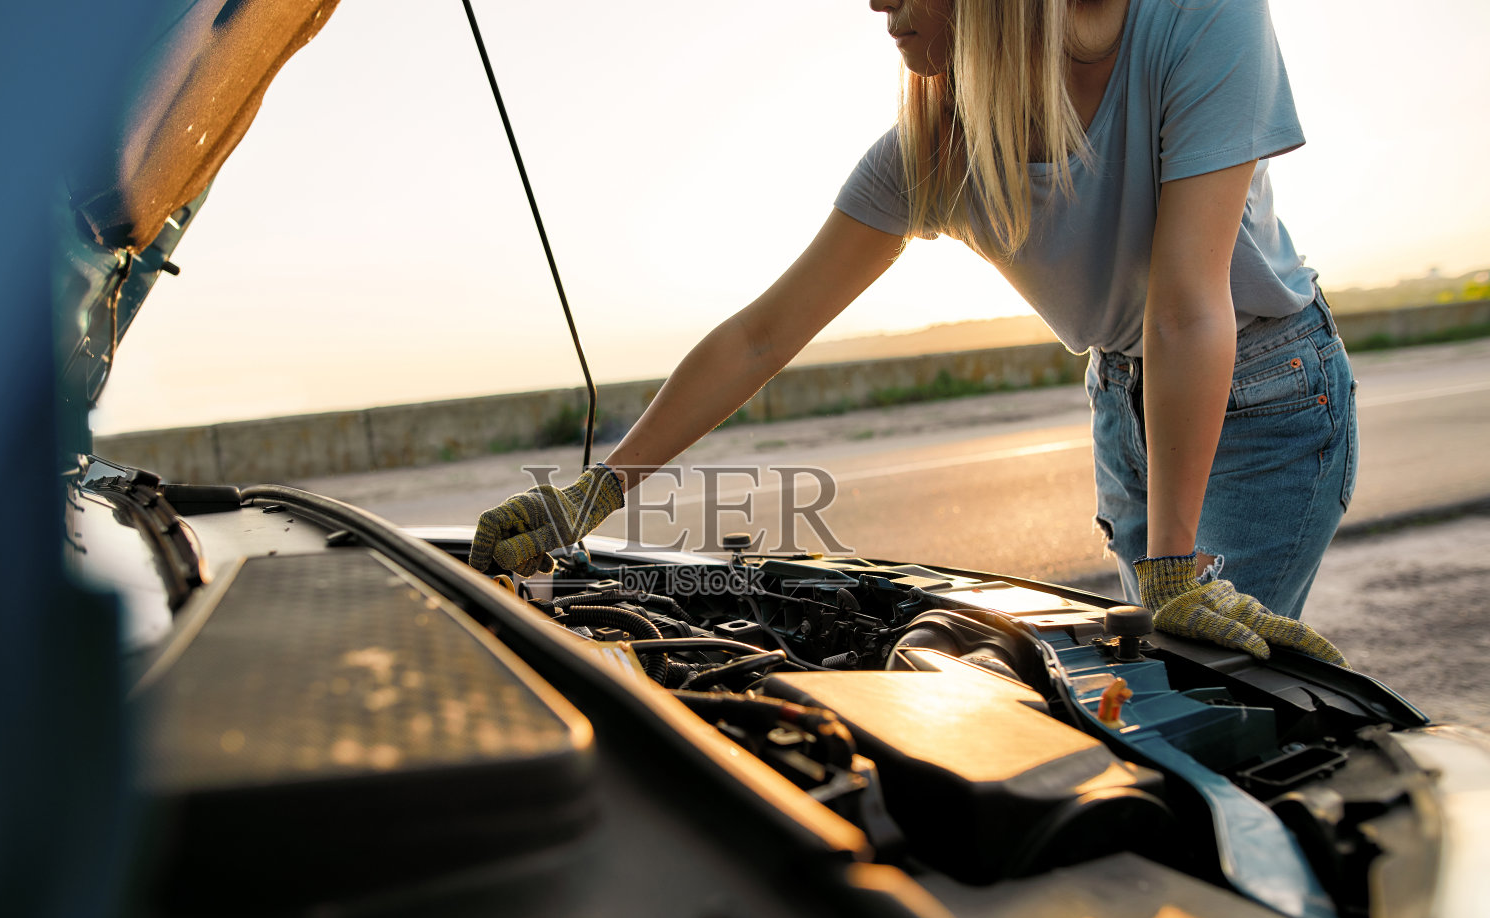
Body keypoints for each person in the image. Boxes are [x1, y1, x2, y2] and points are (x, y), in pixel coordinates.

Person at [471, 0, 1353, 666]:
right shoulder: (931, 150)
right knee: (1167, 682)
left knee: (1207, 682)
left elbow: (1186, 307)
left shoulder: (1202, 19)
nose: (873, 1)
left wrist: (1173, 568)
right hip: (1127, 398)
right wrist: (589, 496)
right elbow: (760, 337)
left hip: (1264, 392)